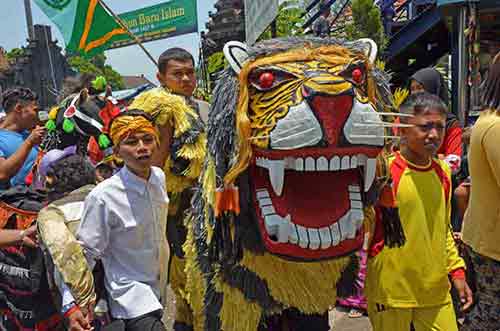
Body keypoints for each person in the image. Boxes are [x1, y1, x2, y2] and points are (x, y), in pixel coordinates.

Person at [366, 92, 473, 331]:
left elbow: (442, 228)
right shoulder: (383, 173)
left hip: (435, 290)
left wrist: (457, 272)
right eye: (425, 127)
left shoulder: (443, 172)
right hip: (391, 291)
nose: (434, 135)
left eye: (439, 127)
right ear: (402, 130)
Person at [64, 110, 170, 331]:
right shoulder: (103, 196)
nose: (142, 147)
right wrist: (71, 306)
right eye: (131, 142)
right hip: (129, 295)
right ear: (117, 152)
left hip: (159, 286)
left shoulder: (159, 177)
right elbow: (85, 254)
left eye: (148, 139)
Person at [130, 47, 207, 331]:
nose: (186, 78)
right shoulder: (164, 109)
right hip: (177, 206)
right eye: (178, 74)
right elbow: (156, 164)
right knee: (188, 271)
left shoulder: (196, 106)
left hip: (202, 200)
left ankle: (189, 321)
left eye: (190, 72)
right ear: (160, 77)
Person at [461, 52, 500, 331]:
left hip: (486, 236)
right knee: (490, 316)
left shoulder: (487, 120)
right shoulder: (495, 127)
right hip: (493, 243)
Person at [410, 68, 462, 173]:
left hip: (439, 185)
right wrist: (439, 158)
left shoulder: (450, 125)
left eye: (419, 88)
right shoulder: (403, 119)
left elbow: (454, 164)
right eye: (412, 89)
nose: (415, 93)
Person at [0, 87, 45, 189]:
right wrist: (29, 142)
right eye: (35, 110)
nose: (37, 115)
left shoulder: (27, 133)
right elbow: (2, 174)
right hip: (15, 200)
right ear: (19, 108)